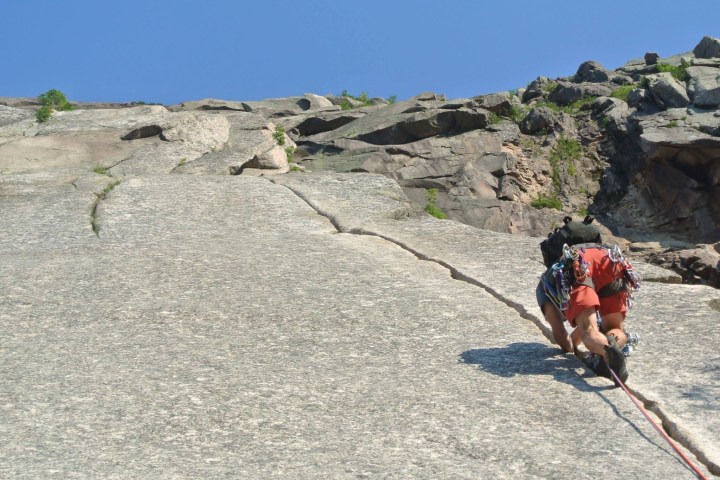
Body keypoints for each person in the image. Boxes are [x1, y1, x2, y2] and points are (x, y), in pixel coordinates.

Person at [536, 243, 639, 384]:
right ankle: (611, 349)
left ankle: (608, 352)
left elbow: (565, 342)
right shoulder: (553, 275)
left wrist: (578, 338)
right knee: (614, 328)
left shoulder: (543, 292)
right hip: (611, 259)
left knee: (589, 333)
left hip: (578, 267)